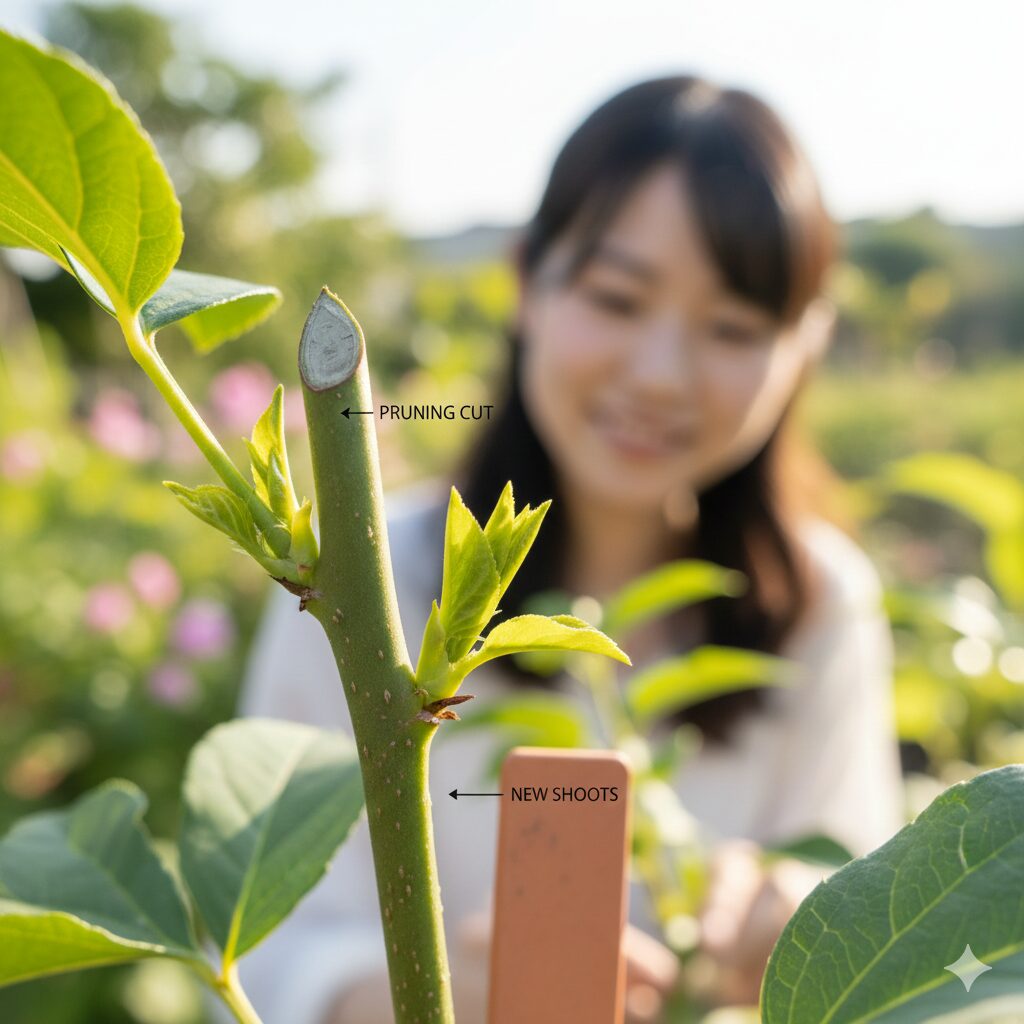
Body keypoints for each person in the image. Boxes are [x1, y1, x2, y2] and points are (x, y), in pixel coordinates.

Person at [234, 75, 904, 1023]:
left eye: (733, 327)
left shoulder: (820, 601)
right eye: (619, 299)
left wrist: (814, 932)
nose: (661, 375)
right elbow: (261, 953)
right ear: (527, 282)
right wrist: (427, 993)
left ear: (807, 345)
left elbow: (874, 914)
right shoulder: (355, 589)